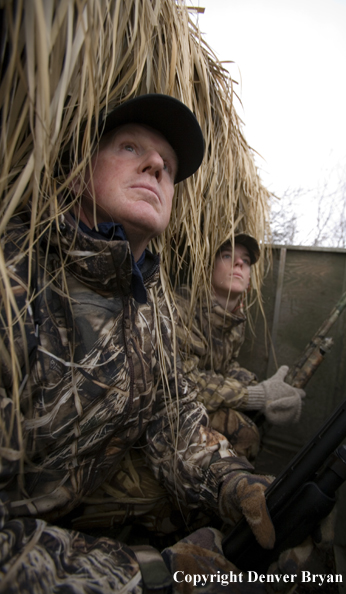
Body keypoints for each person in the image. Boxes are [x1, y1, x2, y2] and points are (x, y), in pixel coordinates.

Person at [0, 93, 277, 593]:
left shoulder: (152, 304)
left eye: (168, 168)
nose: (155, 165)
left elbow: (177, 422)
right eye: (130, 148)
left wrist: (234, 483)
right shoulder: (12, 279)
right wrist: (149, 575)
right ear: (79, 171)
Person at [175, 234, 306, 460]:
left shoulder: (236, 321)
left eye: (245, 261)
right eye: (228, 256)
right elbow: (185, 382)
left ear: (248, 279)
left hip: (206, 402)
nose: (239, 264)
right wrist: (255, 395)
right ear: (209, 267)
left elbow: (226, 366)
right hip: (173, 410)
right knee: (246, 434)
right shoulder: (182, 307)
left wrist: (267, 389)